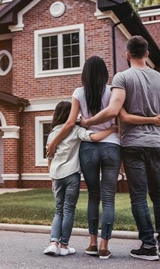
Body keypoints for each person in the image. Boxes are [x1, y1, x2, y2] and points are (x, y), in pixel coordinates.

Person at [46, 56, 160, 260]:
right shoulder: (113, 91)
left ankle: (91, 243)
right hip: (111, 146)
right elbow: (121, 116)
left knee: (93, 195)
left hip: (89, 148)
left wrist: (54, 142)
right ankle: (103, 246)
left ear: (84, 73)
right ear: (104, 73)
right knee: (108, 199)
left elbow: (70, 123)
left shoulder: (78, 93)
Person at [80, 36, 160, 261]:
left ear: (127, 55)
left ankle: (148, 246)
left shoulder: (122, 77)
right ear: (147, 54)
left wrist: (88, 121)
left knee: (138, 197)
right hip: (155, 144)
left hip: (133, 145)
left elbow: (114, 110)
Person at [43, 100, 117, 257]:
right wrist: (112, 129)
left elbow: (50, 158)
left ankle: (53, 243)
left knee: (58, 210)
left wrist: (51, 178)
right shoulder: (76, 130)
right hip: (71, 176)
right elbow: (95, 137)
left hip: (56, 176)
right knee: (68, 210)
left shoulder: (52, 134)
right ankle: (64, 246)